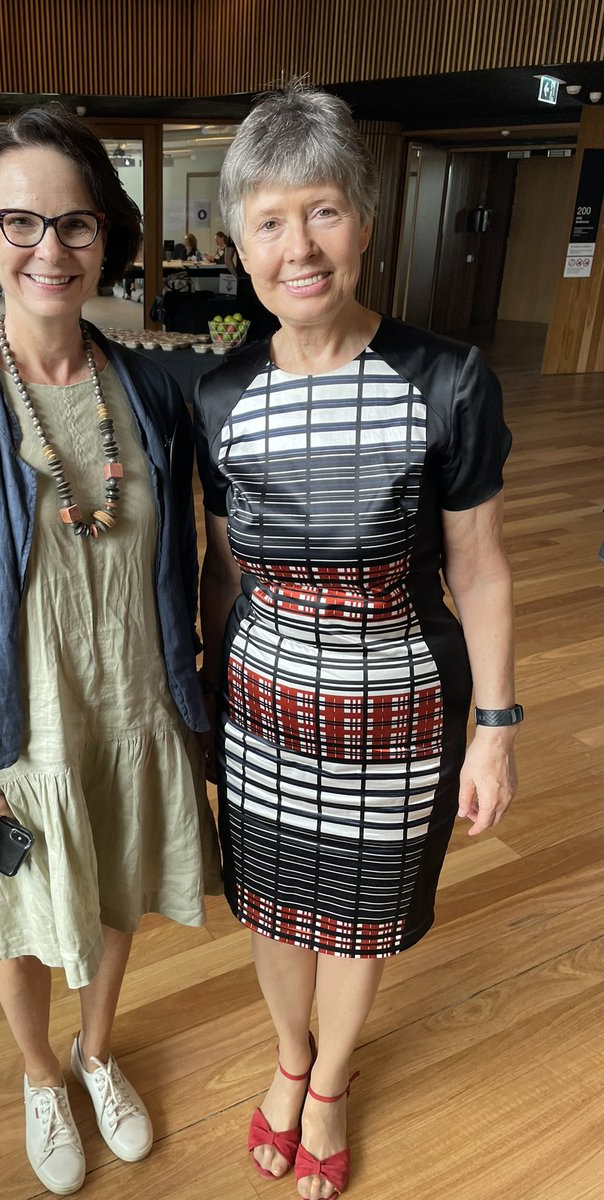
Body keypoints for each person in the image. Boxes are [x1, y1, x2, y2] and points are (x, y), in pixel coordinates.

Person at [0, 105, 220, 1197]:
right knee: (25, 911)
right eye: (21, 222)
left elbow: (198, 560)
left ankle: (98, 1051)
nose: (51, 250)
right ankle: (40, 1073)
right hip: (12, 723)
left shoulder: (155, 392)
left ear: (105, 239)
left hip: (132, 706)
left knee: (115, 892)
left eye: (75, 224)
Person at [194, 83, 520, 1200]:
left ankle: (330, 1080)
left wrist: (495, 730)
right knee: (275, 901)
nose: (300, 247)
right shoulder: (222, 391)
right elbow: (224, 561)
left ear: (366, 223)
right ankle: (290, 1057)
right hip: (261, 703)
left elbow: (477, 564)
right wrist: (205, 696)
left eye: (323, 211)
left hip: (399, 700)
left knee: (363, 907)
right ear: (239, 242)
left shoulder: (445, 378)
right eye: (270, 222)